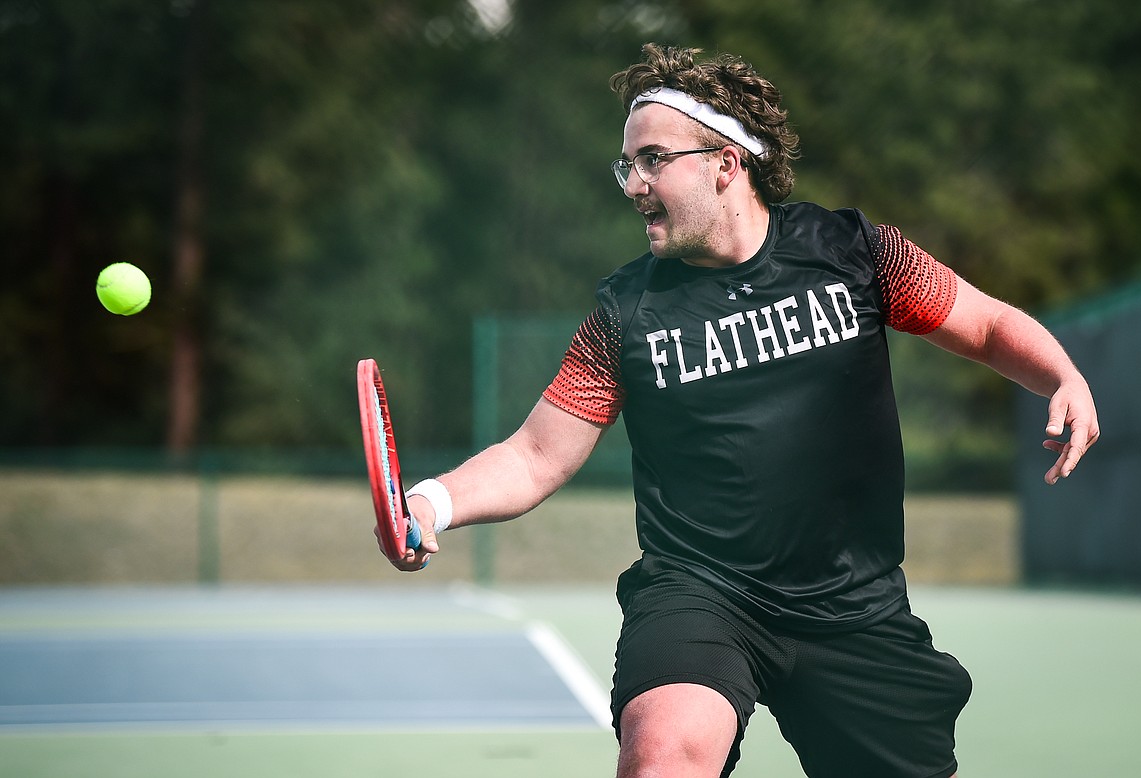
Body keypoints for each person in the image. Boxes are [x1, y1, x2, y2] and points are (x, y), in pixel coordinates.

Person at [388, 43, 1100, 778]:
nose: (634, 184)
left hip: (855, 607)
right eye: (625, 165)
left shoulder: (857, 254)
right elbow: (535, 456)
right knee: (664, 753)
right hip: (701, 593)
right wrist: (433, 502)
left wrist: (1061, 376)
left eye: (653, 159)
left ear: (726, 163)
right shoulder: (626, 314)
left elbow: (982, 325)